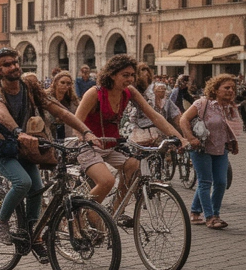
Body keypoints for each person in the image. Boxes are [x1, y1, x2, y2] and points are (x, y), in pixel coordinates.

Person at [0, 48, 96, 245]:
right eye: (6, 64)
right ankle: (1, 222)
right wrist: (17, 132)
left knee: (37, 188)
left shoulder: (29, 87)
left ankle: (31, 234)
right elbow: (0, 113)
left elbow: (60, 111)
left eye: (15, 62)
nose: (13, 66)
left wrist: (86, 131)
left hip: (25, 148)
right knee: (23, 183)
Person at [75, 55, 187, 211]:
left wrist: (179, 137)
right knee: (106, 181)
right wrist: (87, 136)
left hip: (112, 144)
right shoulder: (95, 93)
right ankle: (87, 213)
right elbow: (76, 122)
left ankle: (114, 212)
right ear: (112, 74)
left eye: (132, 75)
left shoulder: (129, 92)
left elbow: (154, 116)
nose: (130, 79)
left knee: (134, 166)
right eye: (125, 75)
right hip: (88, 145)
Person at [179, 73, 239, 229]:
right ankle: (211, 216)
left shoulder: (230, 108)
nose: (231, 91)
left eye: (232, 88)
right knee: (205, 182)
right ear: (216, 89)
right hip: (201, 148)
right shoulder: (202, 104)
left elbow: (231, 128)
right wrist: (190, 138)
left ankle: (195, 211)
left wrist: (233, 142)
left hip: (221, 149)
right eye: (226, 87)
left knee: (220, 182)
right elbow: (183, 119)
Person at [43, 70, 80, 139]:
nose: (65, 85)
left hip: (66, 132)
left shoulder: (72, 100)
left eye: (68, 83)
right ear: (56, 82)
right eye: (62, 82)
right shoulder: (46, 97)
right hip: (48, 130)